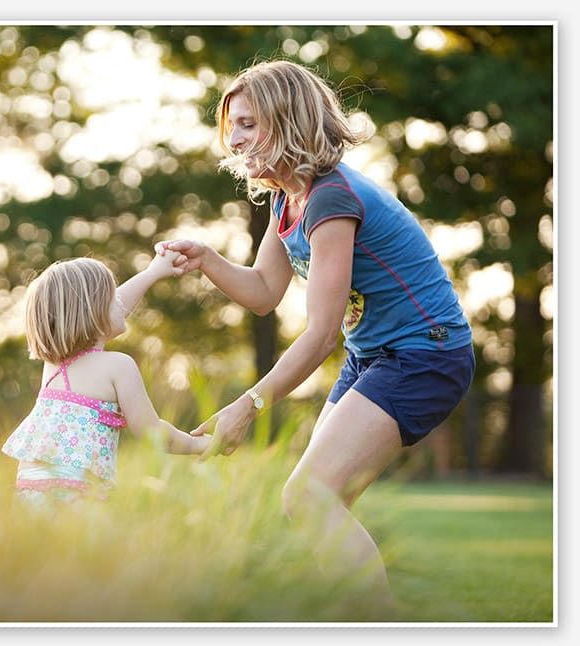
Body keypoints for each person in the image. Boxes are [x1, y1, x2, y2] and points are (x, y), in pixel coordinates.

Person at [158, 60, 475, 609]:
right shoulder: (288, 199)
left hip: (426, 353)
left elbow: (322, 333)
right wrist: (208, 259)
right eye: (231, 127)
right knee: (317, 501)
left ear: (290, 120)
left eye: (249, 125)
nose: (234, 141)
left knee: (309, 496)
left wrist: (247, 405)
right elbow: (262, 292)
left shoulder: (331, 199)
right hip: (374, 356)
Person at [1, 252, 210, 510]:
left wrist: (152, 273)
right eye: (112, 298)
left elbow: (109, 309)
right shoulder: (118, 366)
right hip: (77, 499)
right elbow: (151, 432)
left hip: (30, 496)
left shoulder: (53, 366)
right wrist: (200, 444)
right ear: (94, 311)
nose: (121, 302)